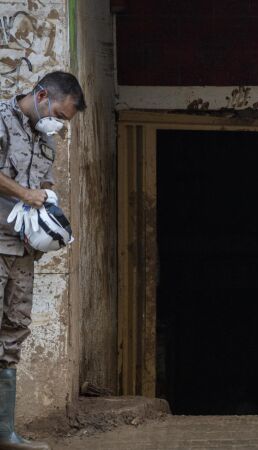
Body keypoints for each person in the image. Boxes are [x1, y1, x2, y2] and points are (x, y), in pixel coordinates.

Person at [0, 71, 86, 450]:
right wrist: (24, 193)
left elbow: (44, 183)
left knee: (13, 330)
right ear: (41, 95)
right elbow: (22, 188)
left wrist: (47, 200)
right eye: (61, 115)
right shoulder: (2, 119)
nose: (60, 123)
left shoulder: (44, 138)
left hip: (23, 249)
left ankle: (5, 433)